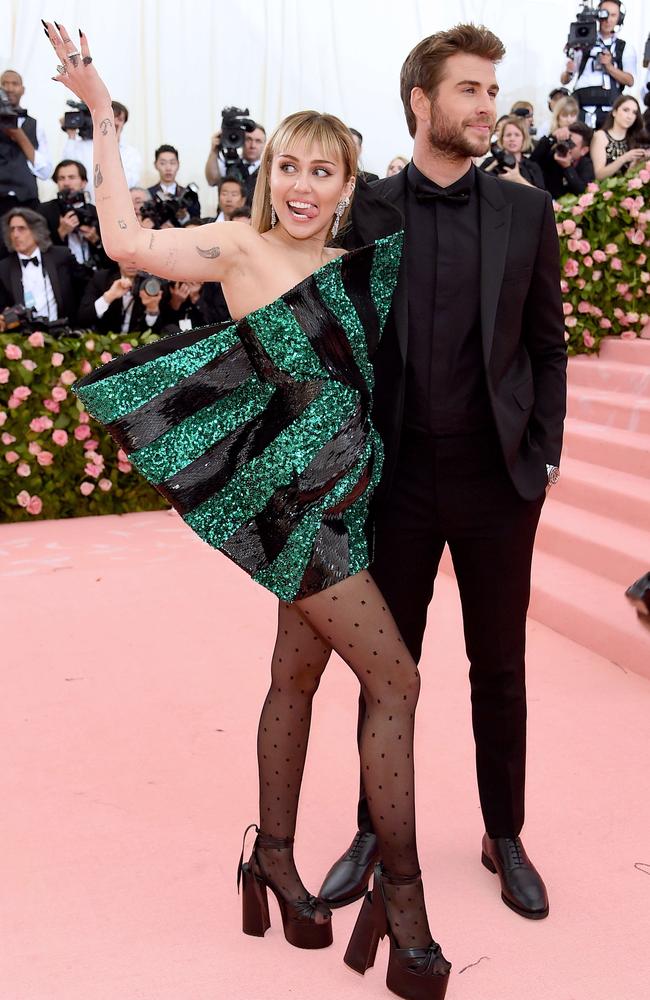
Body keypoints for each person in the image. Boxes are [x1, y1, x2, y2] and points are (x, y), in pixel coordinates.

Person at [44, 20, 451, 1000]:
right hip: (291, 514)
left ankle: (271, 856)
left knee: (294, 679)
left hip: (349, 505)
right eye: (290, 168)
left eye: (325, 170)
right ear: (268, 175)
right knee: (394, 684)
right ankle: (404, 914)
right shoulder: (239, 245)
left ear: (348, 182)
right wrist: (103, 115)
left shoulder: (364, 263)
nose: (305, 186)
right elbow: (125, 241)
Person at [317, 23, 566, 924]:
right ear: (422, 102)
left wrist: (543, 454)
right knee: (387, 666)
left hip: (500, 481)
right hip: (398, 479)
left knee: (498, 666)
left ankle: (505, 835)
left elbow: (548, 344)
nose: (486, 107)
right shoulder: (369, 210)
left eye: (493, 92)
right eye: (469, 90)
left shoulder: (527, 211)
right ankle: (373, 830)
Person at [0, 69, 53, 257]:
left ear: (23, 89)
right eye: (4, 83)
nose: (9, 88)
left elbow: (46, 171)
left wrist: (19, 136)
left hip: (27, 202)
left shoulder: (34, 125)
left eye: (14, 83)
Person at [0, 207, 84, 323]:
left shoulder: (61, 256)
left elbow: (84, 286)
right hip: (24, 336)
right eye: (12, 230)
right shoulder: (4, 268)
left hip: (63, 331)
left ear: (36, 231)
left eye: (21, 229)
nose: (15, 235)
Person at [561, 0, 636, 129]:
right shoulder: (582, 42)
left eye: (613, 15)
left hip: (610, 107)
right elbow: (565, 80)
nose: (608, 20)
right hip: (582, 106)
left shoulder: (624, 47)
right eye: (604, 14)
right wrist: (569, 70)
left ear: (619, 18)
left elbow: (630, 80)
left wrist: (609, 67)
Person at [38, 159, 110, 268]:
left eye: (71, 177)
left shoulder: (95, 211)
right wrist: (60, 234)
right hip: (62, 273)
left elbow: (109, 257)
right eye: (61, 178)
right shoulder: (44, 210)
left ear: (83, 183)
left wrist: (95, 239)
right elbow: (38, 249)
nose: (66, 183)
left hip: (93, 272)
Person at [62, 99, 142, 198]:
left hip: (117, 204)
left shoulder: (130, 152)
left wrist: (113, 146)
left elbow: (130, 183)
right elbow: (66, 169)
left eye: (120, 119)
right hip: (87, 205)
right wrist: (71, 135)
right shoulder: (81, 146)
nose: (115, 123)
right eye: (111, 117)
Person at [530, 121, 595, 199]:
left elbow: (582, 191)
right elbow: (532, 163)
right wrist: (551, 137)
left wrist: (568, 168)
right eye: (566, 141)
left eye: (571, 144)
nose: (566, 145)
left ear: (583, 151)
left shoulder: (586, 164)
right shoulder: (553, 156)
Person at [591, 94, 649, 179]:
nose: (629, 116)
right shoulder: (601, 136)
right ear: (614, 112)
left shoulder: (635, 138)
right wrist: (624, 158)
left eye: (634, 113)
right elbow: (599, 175)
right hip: (604, 189)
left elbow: (629, 176)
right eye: (626, 110)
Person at [205, 123, 266, 203]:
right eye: (248, 139)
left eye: (258, 141)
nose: (253, 145)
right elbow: (212, 181)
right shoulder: (228, 162)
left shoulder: (267, 170)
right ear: (241, 141)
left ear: (264, 144)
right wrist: (214, 151)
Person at [481, 115, 545, 188]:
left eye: (517, 135)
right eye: (508, 135)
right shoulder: (490, 162)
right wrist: (491, 167)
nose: (512, 139)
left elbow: (542, 196)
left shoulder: (532, 167)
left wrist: (517, 179)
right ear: (502, 139)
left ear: (524, 139)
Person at [147, 143, 201, 223]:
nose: (168, 168)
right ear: (156, 165)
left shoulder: (188, 195)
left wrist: (185, 217)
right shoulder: (148, 194)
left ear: (178, 164)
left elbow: (197, 222)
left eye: (172, 163)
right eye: (163, 163)